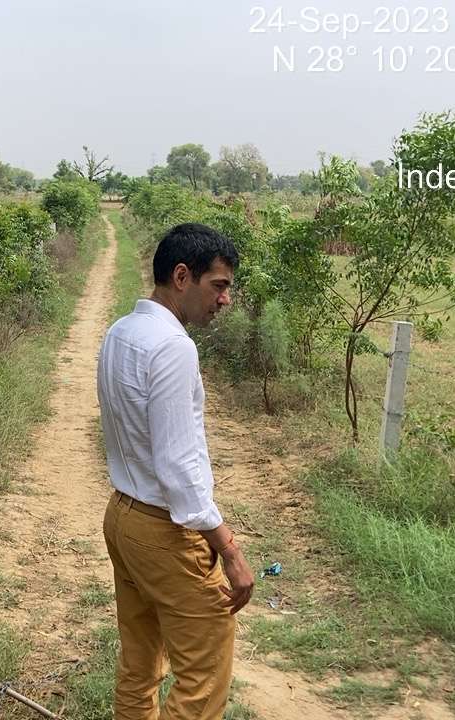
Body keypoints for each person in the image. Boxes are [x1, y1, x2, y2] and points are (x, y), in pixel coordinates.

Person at [97, 222, 255, 720]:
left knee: (140, 663)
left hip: (122, 517)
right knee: (203, 674)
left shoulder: (121, 332)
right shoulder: (173, 347)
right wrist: (229, 550)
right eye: (219, 285)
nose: (225, 299)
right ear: (182, 277)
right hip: (164, 532)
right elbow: (179, 468)